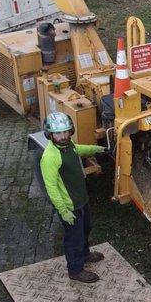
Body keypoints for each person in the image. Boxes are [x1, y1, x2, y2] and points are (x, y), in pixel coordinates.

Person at [40, 112, 106, 283]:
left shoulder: (69, 145)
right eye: (58, 133)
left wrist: (96, 149)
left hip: (82, 200)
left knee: (86, 229)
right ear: (50, 134)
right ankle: (75, 270)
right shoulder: (50, 157)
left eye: (66, 132)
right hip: (70, 207)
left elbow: (78, 150)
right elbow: (51, 187)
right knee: (73, 239)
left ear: (71, 131)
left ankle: (85, 255)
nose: (62, 136)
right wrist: (63, 211)